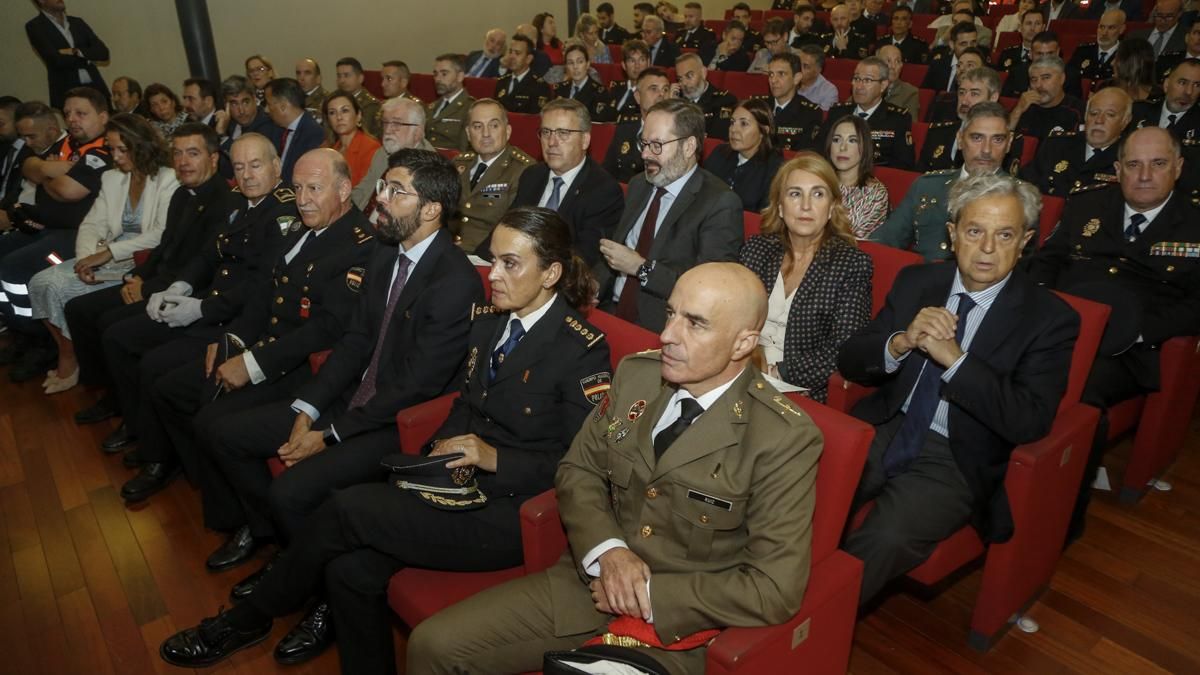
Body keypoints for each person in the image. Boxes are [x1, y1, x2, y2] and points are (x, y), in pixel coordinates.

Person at [162, 205, 611, 673]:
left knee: (347, 507)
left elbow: (579, 465)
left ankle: (248, 619)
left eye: (509, 264)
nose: (493, 274)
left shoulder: (581, 350)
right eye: (492, 259)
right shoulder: (490, 321)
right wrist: (423, 462)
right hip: (448, 483)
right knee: (347, 572)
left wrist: (495, 457)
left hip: (507, 513)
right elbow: (464, 406)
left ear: (551, 273)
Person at [407, 261, 823, 674]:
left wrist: (647, 590)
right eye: (670, 313)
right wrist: (609, 552)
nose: (667, 336)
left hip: (681, 627)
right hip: (588, 585)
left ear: (742, 344)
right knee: (433, 646)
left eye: (695, 324)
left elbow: (773, 588)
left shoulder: (781, 436)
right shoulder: (639, 376)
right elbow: (578, 469)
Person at [186, 150, 483, 662]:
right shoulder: (387, 253)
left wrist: (329, 433)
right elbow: (354, 340)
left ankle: (314, 598)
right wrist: (308, 407)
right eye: (383, 187)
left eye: (395, 192)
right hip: (350, 402)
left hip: (397, 427)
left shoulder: (453, 280)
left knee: (292, 494)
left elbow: (414, 387)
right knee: (226, 433)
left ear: (431, 209)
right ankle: (299, 570)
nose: (381, 201)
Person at [839, 173, 1078, 605]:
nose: (987, 249)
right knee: (812, 493)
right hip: (885, 426)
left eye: (1004, 234)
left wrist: (958, 361)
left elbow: (1030, 419)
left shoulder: (1049, 318)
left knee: (885, 537)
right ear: (952, 234)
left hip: (957, 456)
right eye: (974, 231)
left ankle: (808, 635)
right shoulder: (919, 283)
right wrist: (900, 343)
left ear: (1024, 241)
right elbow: (852, 359)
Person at [130, 147, 374, 529]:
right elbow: (265, 293)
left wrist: (252, 364)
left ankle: (259, 525)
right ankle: (216, 494)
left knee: (214, 424)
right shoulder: (300, 225)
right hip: (265, 346)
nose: (303, 200)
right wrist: (234, 340)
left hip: (300, 368)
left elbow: (324, 329)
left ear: (344, 190)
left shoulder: (361, 244)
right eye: (297, 189)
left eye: (314, 188)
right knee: (172, 389)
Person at [1025, 127, 1200, 541]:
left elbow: (1196, 303)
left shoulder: (1194, 223)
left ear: (1177, 168)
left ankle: (1061, 515)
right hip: (1062, 325)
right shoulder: (1088, 203)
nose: (1144, 175)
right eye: (1134, 165)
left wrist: (1141, 333)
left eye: (1157, 164)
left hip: (1127, 349)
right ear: (1118, 169)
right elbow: (1044, 261)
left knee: (1077, 388)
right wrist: (1041, 306)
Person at [97, 132, 294, 459]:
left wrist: (201, 308)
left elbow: (260, 286)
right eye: (241, 166)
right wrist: (179, 286)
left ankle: (160, 454)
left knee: (153, 365)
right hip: (207, 303)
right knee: (121, 337)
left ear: (276, 167)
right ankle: (142, 430)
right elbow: (208, 255)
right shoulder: (236, 200)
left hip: (233, 319)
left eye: (256, 165)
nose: (246, 175)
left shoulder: (284, 214)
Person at [66, 124, 233, 428]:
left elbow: (201, 265)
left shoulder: (223, 201)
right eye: (178, 153)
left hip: (186, 292)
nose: (183, 161)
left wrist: (148, 287)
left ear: (214, 158)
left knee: (112, 329)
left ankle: (132, 417)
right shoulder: (183, 195)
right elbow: (163, 245)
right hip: (157, 279)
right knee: (78, 310)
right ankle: (112, 394)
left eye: (192, 154)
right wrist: (135, 276)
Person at [28, 113, 179, 394]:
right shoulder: (112, 178)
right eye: (112, 149)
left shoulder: (168, 178)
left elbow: (160, 233)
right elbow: (92, 222)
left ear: (142, 145)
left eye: (123, 149)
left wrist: (107, 253)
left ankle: (72, 361)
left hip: (141, 260)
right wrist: (87, 259)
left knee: (64, 292)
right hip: (104, 256)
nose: (116, 157)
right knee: (40, 282)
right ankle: (68, 351)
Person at [596, 99, 743, 332]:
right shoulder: (639, 185)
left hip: (661, 327)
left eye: (656, 145)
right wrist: (592, 287)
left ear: (688, 146)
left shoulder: (719, 203)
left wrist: (642, 269)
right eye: (643, 143)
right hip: (606, 310)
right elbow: (617, 252)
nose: (645, 154)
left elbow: (710, 290)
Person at [740, 152, 872, 401]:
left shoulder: (851, 264)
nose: (806, 206)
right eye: (795, 194)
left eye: (818, 194)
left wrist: (780, 371)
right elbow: (729, 314)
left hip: (797, 388)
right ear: (780, 206)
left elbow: (844, 347)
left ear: (832, 207)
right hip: (742, 366)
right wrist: (750, 361)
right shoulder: (757, 249)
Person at [0, 86, 111, 381]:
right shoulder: (69, 147)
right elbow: (29, 165)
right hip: (49, 227)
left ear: (102, 116)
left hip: (78, 236)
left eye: (81, 113)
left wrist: (48, 175)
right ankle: (19, 330)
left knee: (16, 267)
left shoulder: (105, 148)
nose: (73, 120)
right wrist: (54, 170)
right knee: (3, 253)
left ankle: (41, 339)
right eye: (68, 113)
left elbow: (68, 189)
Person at [874, 102, 1013, 259]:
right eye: (977, 138)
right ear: (960, 140)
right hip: (922, 278)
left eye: (997, 140)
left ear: (1008, 144)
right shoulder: (927, 186)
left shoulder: (1019, 197)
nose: (986, 150)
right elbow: (885, 239)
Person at [507, 98, 624, 266]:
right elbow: (510, 228)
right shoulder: (532, 175)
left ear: (585, 140)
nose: (552, 142)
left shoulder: (603, 190)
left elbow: (584, 259)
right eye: (546, 132)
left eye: (563, 133)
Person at [452, 99, 536, 252]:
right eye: (477, 126)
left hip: (486, 255)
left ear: (508, 131)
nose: (485, 134)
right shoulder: (458, 164)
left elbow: (514, 229)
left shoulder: (523, 170)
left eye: (494, 126)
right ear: (468, 134)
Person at [1021, 87, 1131, 195]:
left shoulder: (1129, 158)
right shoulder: (1056, 145)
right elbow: (1024, 185)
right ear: (1085, 116)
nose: (1099, 120)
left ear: (1125, 121)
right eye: (1093, 113)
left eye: (1110, 115)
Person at [823, 58, 916, 169]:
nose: (859, 86)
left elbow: (904, 165)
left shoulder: (897, 119)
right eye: (856, 79)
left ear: (883, 85)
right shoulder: (838, 113)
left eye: (867, 80)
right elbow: (819, 151)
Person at [351, 97, 435, 213]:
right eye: (385, 122)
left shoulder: (428, 165)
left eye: (397, 123)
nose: (388, 130)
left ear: (417, 132)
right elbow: (362, 192)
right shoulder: (381, 153)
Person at [25, 0, 110, 110]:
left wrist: (75, 51)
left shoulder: (77, 22)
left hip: (96, 90)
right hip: (66, 92)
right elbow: (56, 60)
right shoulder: (35, 26)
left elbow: (104, 53)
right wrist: (87, 56)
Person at [703, 98, 785, 212]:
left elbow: (764, 218)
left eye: (744, 124)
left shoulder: (775, 168)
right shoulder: (720, 153)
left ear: (764, 131)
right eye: (732, 122)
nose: (734, 130)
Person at [825, 115, 890, 239]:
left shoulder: (875, 194)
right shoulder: (818, 182)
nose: (842, 148)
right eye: (837, 140)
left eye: (852, 140)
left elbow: (851, 239)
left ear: (865, 147)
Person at [603, 68, 671, 183]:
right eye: (653, 89)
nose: (661, 94)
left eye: (665, 89)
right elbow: (607, 172)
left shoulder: (676, 133)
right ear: (638, 97)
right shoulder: (625, 129)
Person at [216, 75, 280, 179]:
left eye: (245, 102)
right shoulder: (229, 124)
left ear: (255, 99)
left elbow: (246, 159)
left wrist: (223, 136)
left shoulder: (268, 125)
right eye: (234, 104)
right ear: (225, 106)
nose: (241, 110)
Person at [264, 78, 325, 184]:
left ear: (283, 106)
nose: (266, 110)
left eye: (269, 104)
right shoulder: (276, 130)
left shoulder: (312, 133)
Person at [1008, 56, 1085, 139]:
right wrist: (1017, 111)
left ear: (1062, 78)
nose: (1038, 85)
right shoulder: (1023, 108)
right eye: (1034, 79)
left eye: (1045, 78)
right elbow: (1001, 141)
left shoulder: (1079, 111)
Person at [764, 52, 825, 151]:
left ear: (796, 78)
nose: (773, 80)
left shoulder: (810, 113)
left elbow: (805, 156)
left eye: (781, 74)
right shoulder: (759, 106)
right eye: (771, 74)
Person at [322, 91, 381, 188]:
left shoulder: (371, 147)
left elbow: (365, 191)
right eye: (332, 113)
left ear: (358, 116)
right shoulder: (328, 148)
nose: (339, 117)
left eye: (345, 111)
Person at [673, 53, 737, 139]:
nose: (684, 83)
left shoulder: (724, 100)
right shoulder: (677, 99)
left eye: (689, 76)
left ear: (703, 73)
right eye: (680, 79)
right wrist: (670, 105)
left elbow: (717, 140)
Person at [1132, 58, 1200, 137]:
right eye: (1182, 82)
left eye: (1197, 85)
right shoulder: (1137, 112)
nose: (1189, 92)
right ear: (1166, 84)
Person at [427, 54, 475, 152]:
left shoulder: (471, 108)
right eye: (435, 74)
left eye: (444, 74)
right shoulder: (432, 107)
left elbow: (464, 149)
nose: (438, 79)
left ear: (460, 76)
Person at [495, 34, 554, 115]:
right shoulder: (502, 81)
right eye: (510, 52)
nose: (512, 56)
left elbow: (535, 119)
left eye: (517, 53)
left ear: (528, 59)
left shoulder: (539, 86)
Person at [556, 43, 613, 123]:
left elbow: (598, 121)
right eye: (570, 63)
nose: (575, 67)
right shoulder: (560, 89)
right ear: (566, 67)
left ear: (587, 64)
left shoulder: (599, 92)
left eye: (580, 62)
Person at [1066, 9, 1125, 85]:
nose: (1104, 33)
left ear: (1121, 29)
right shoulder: (1083, 51)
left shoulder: (1126, 55)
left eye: (1111, 28)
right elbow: (1069, 79)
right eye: (1101, 27)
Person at [994, 10, 1045, 97]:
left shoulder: (1048, 55)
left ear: (1043, 28)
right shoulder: (1007, 53)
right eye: (1028, 23)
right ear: (1020, 27)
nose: (1032, 28)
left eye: (1037, 24)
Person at [922, 21, 981, 92]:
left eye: (973, 43)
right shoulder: (937, 66)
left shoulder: (983, 67)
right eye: (963, 44)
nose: (969, 48)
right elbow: (925, 94)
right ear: (952, 45)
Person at [1105, 38, 1162, 102]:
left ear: (1131, 63)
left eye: (1117, 58)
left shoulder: (1159, 99)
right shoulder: (1106, 89)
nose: (1112, 63)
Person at [609, 40, 651, 119]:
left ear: (648, 63)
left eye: (642, 60)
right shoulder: (616, 87)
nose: (637, 66)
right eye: (632, 61)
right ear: (624, 65)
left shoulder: (651, 92)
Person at [879, 44, 920, 121]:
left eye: (897, 61)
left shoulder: (910, 92)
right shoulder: (868, 85)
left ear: (901, 66)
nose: (893, 66)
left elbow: (910, 125)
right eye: (888, 61)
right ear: (878, 64)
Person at [795, 44, 840, 112]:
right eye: (798, 63)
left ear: (818, 70)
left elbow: (823, 119)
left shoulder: (829, 91)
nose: (799, 69)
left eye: (805, 66)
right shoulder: (789, 81)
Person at [295, 58, 327, 123]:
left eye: (307, 73)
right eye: (298, 73)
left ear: (318, 78)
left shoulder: (327, 100)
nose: (301, 78)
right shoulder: (293, 98)